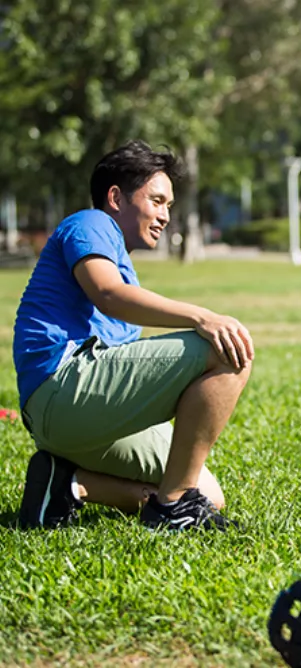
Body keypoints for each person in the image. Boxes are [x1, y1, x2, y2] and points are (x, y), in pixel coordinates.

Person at [14, 139, 254, 530]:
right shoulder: (89, 223)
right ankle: (171, 509)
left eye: (170, 207)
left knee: (208, 494)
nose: (164, 216)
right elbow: (107, 294)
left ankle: (69, 484)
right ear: (115, 197)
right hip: (62, 389)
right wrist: (201, 317)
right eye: (157, 201)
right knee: (227, 351)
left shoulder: (121, 259)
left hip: (77, 417)